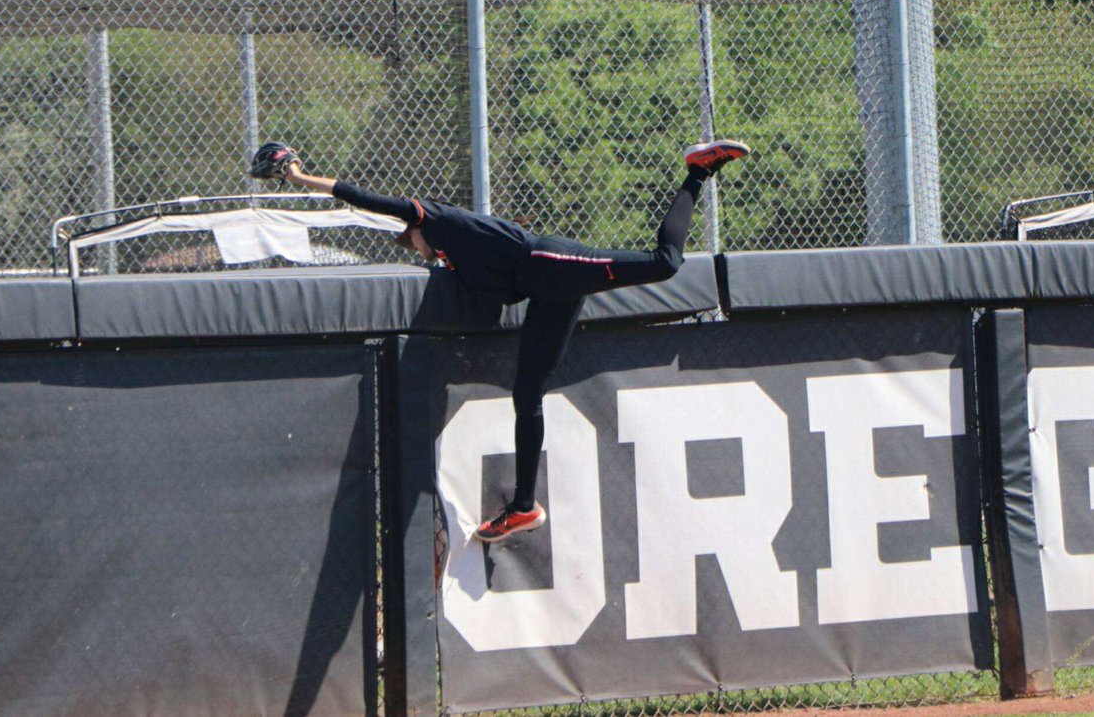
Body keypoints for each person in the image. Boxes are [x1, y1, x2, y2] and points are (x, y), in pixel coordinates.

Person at [249, 139, 750, 542]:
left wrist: (298, 176)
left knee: (664, 263)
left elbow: (367, 199)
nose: (415, 247)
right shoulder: (456, 264)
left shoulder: (437, 221)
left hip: (548, 261)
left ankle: (697, 171)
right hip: (548, 291)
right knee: (527, 395)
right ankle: (524, 506)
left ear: (418, 228)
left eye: (411, 239)